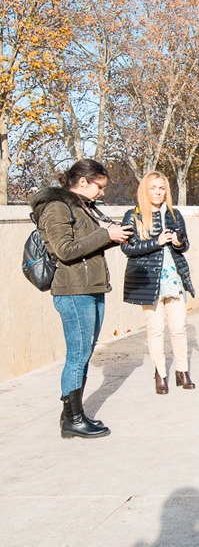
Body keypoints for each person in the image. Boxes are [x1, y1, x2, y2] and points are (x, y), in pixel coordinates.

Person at [29, 159, 133, 439]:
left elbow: (87, 244)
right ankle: (73, 419)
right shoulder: (56, 207)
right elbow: (64, 250)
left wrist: (114, 237)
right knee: (78, 354)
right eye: (100, 186)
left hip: (89, 286)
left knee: (84, 352)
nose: (102, 192)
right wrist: (105, 234)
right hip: (73, 290)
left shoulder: (80, 207)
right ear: (83, 181)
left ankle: (72, 416)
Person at [121, 172, 196, 394]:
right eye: (153, 188)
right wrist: (157, 242)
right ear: (145, 189)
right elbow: (128, 248)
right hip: (148, 280)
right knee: (155, 328)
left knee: (179, 327)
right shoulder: (133, 215)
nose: (157, 192)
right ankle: (160, 373)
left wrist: (178, 241)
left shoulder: (174, 214)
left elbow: (185, 245)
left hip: (174, 277)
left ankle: (182, 371)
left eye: (162, 188)